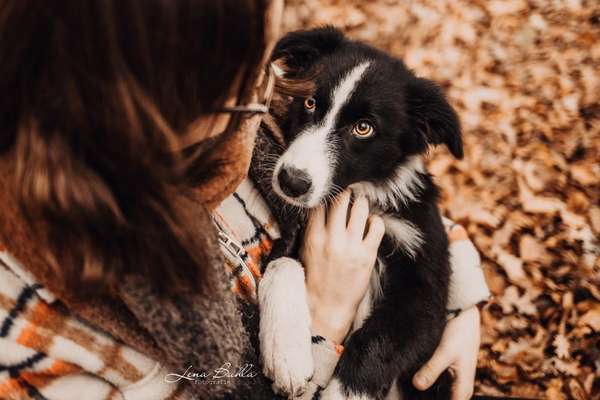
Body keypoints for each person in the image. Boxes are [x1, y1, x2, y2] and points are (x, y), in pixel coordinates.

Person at [0, 1, 489, 399]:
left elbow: (394, 199)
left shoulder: (253, 118)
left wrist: (461, 303)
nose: (266, 86)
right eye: (249, 68)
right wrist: (323, 319)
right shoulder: (33, 327)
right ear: (167, 93)